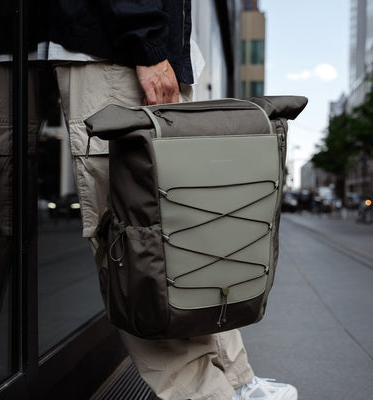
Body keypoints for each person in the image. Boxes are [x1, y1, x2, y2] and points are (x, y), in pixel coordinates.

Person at [48, 1, 298, 399]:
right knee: (144, 250)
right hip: (115, 46)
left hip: (126, 43)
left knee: (181, 244)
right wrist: (146, 42)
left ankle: (236, 383)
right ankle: (212, 393)